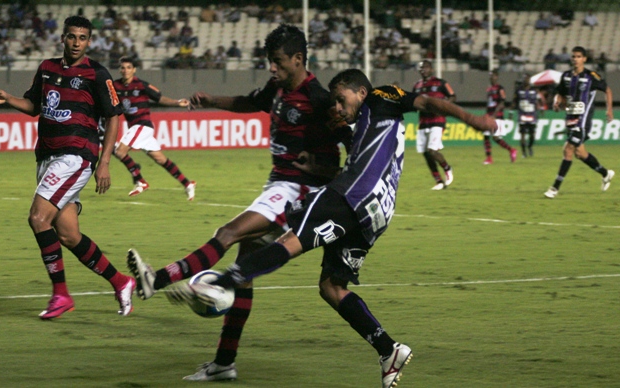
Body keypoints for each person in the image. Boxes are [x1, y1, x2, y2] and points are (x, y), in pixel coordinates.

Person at [174, 68, 500, 388]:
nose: (340, 109)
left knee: (289, 239)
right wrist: (315, 163)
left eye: (342, 100)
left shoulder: (380, 96)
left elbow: (429, 103)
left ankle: (223, 282)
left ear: (360, 91)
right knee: (331, 287)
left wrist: (477, 121)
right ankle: (389, 350)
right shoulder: (367, 128)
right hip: (375, 216)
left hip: (351, 196)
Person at [127, 24, 345, 381]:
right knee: (245, 274)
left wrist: (319, 167)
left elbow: (345, 158)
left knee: (228, 232)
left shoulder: (320, 101)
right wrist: (213, 101)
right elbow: (249, 102)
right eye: (269, 62)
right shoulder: (277, 88)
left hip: (299, 191)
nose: (272, 68)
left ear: (298, 59)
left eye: (277, 62)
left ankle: (159, 279)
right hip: (279, 184)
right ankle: (224, 362)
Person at [0, 15, 135, 319]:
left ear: (89, 41)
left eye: (82, 38)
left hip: (77, 155)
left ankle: (61, 295)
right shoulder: (47, 68)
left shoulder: (97, 74)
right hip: (47, 156)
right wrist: (8, 98)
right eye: (71, 37)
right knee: (68, 235)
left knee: (38, 218)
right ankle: (122, 281)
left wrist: (104, 162)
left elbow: (113, 116)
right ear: (63, 38)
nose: (76, 42)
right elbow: (34, 107)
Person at [111, 57, 196, 199]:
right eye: (123, 68)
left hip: (142, 125)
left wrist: (177, 102)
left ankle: (141, 182)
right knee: (160, 159)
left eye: (129, 67)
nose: (125, 70)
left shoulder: (141, 85)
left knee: (119, 151)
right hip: (136, 128)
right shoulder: (115, 86)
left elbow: (159, 98)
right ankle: (187, 183)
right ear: (120, 70)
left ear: (134, 70)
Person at [544, 46, 614, 199]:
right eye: (573, 56)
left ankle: (554, 188)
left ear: (584, 59)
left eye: (578, 56)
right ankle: (606, 173)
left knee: (568, 149)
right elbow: (561, 94)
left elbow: (608, 90)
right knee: (580, 153)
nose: (575, 59)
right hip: (571, 118)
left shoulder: (591, 76)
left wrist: (609, 110)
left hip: (583, 121)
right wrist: (557, 103)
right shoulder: (566, 76)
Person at [412, 60, 456, 190]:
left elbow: (452, 96)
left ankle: (447, 168)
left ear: (431, 69)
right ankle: (439, 181)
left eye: (425, 67)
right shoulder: (417, 86)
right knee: (426, 153)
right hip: (423, 122)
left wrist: (443, 106)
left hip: (437, 121)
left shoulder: (441, 83)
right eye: (420, 68)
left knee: (432, 151)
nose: (423, 70)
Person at [483, 70, 517, 164]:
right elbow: (489, 103)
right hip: (489, 116)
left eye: (493, 76)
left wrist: (494, 115)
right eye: (490, 76)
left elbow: (502, 102)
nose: (491, 78)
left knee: (494, 137)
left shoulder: (500, 88)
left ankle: (510, 150)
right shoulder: (489, 89)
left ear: (497, 77)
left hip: (497, 116)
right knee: (488, 136)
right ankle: (490, 157)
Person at [510, 74, 544, 158]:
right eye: (525, 78)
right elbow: (514, 101)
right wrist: (511, 112)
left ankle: (530, 146)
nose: (526, 80)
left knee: (532, 135)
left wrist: (542, 108)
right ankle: (524, 152)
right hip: (522, 115)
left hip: (532, 115)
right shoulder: (519, 90)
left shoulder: (534, 90)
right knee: (522, 135)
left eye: (528, 79)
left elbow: (540, 100)